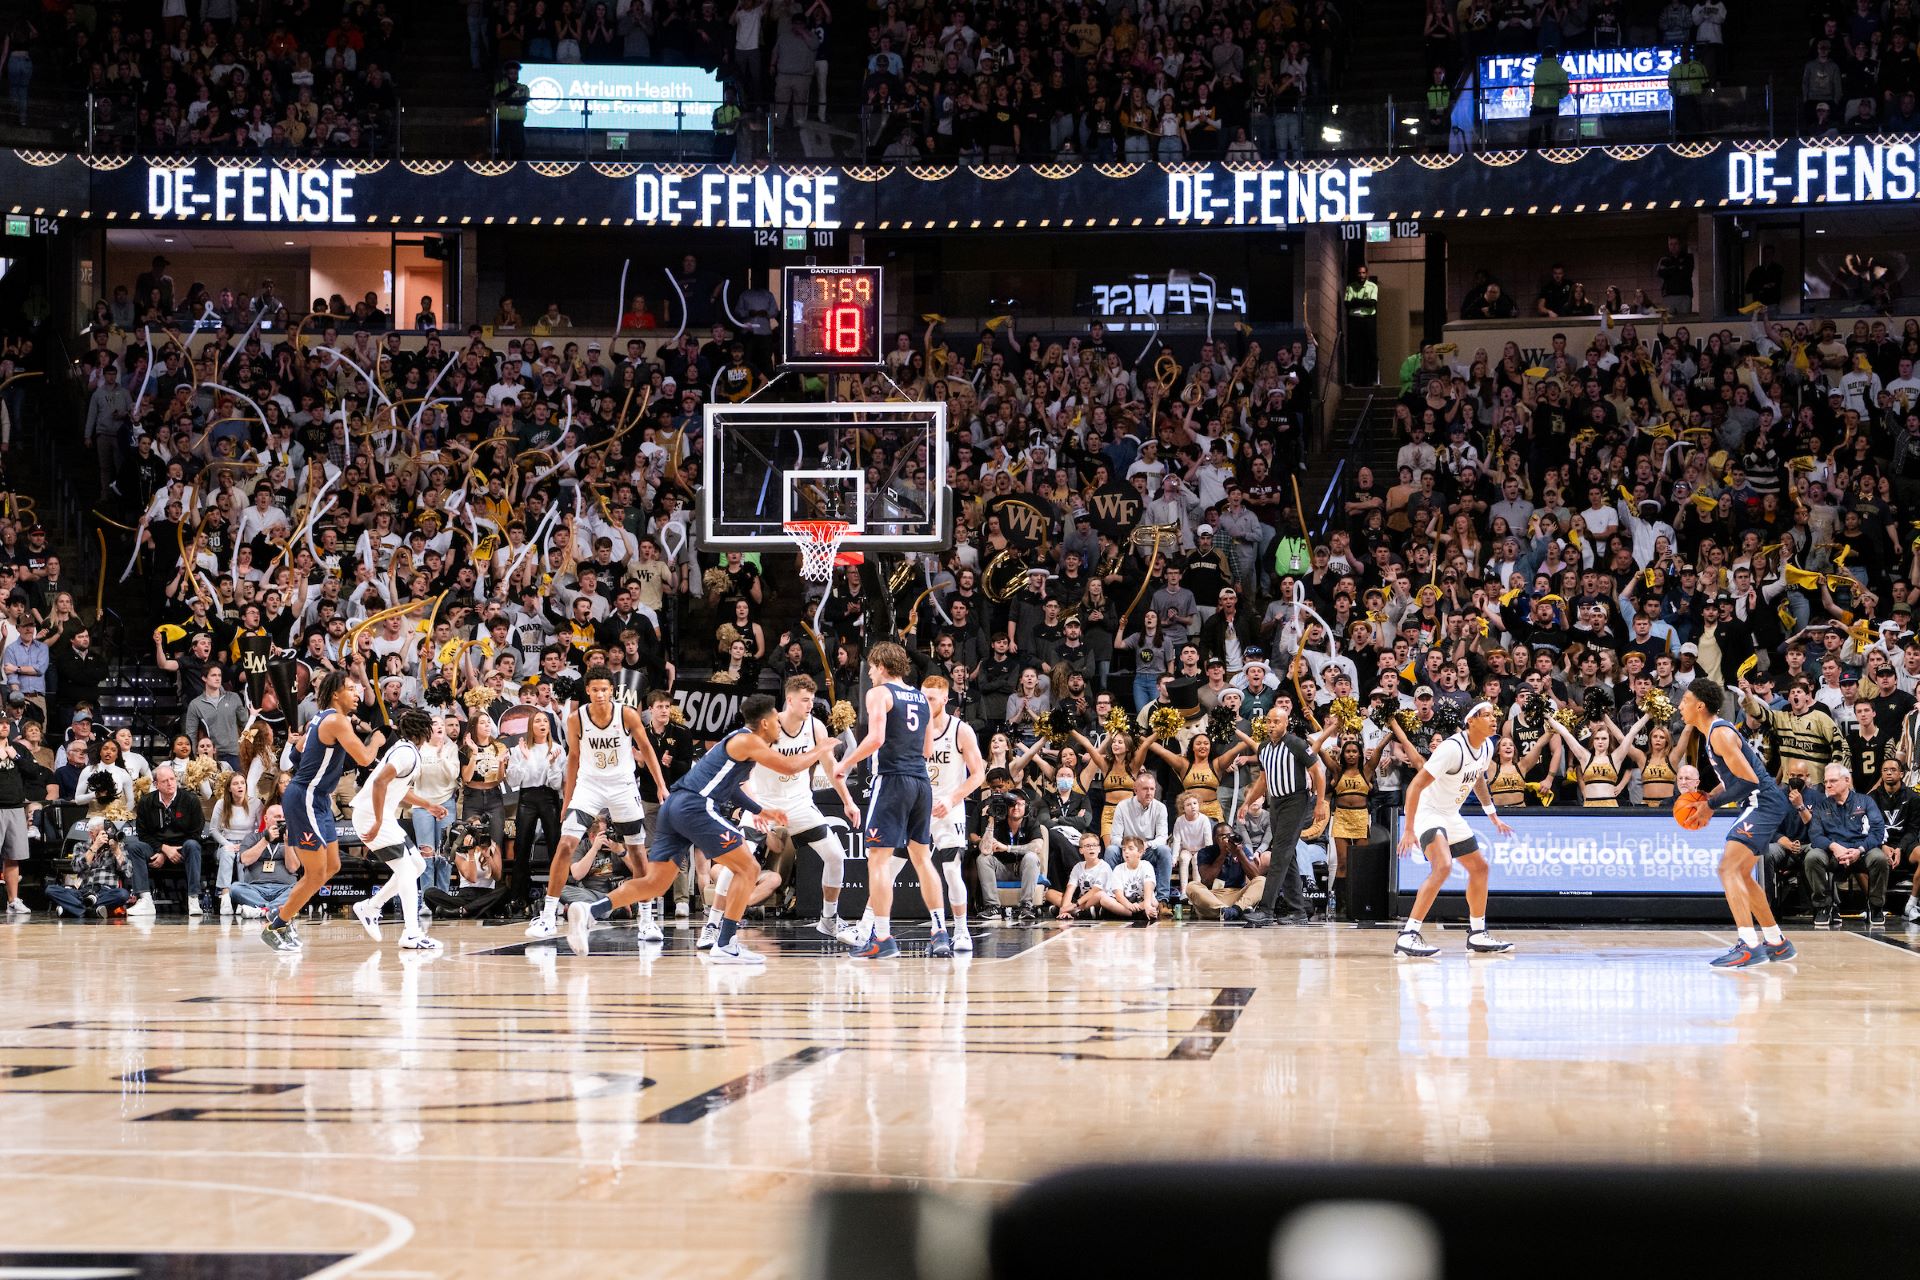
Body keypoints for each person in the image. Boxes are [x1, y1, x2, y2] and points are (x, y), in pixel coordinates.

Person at [566, 693, 832, 964]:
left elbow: (729, 789)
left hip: (676, 807)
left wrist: (760, 810)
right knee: (749, 868)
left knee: (654, 884)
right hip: (695, 806)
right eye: (776, 720)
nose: (779, 725)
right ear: (764, 723)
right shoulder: (748, 740)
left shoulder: (740, 743)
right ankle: (726, 943)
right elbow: (791, 765)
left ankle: (590, 911)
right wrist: (823, 746)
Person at [527, 666, 668, 941]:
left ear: (612, 690)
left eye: (605, 689)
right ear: (588, 691)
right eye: (595, 690)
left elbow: (647, 749)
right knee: (566, 844)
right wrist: (567, 800)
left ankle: (647, 919)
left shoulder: (626, 714)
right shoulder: (576, 718)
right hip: (589, 786)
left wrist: (661, 785)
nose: (600, 694)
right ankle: (547, 917)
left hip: (622, 785)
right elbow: (574, 758)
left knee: (637, 853)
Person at [722, 673, 859, 951]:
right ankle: (715, 925)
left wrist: (847, 800)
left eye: (812, 699)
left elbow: (831, 768)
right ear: (790, 700)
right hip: (764, 803)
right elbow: (744, 774)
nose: (810, 704)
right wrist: (754, 806)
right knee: (737, 863)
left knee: (835, 855)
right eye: (805, 700)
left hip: (798, 804)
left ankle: (829, 919)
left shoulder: (816, 726)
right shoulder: (768, 727)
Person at [832, 641, 950, 959]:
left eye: (871, 667)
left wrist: (845, 764)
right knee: (922, 858)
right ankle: (940, 931)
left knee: (878, 859)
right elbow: (927, 750)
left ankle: (882, 938)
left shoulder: (879, 693)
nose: (869, 673)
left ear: (883, 666)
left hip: (893, 780)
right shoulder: (922, 699)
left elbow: (876, 738)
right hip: (922, 782)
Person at [1677, 678, 1796, 967]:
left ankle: (1748, 945)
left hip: (1762, 803)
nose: (1680, 706)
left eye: (1684, 701)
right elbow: (1732, 779)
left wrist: (1710, 806)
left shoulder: (1719, 734)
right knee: (1741, 873)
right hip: (1760, 802)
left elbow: (1749, 780)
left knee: (1727, 868)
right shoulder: (1712, 734)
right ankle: (1776, 942)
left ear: (1700, 705)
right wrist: (1708, 795)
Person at [266, 671, 386, 951]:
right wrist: (378, 740)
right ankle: (277, 925)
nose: (357, 695)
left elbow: (297, 754)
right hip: (305, 797)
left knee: (332, 866)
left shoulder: (319, 718)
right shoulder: (335, 720)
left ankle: (280, 914)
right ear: (335, 693)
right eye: (351, 689)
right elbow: (365, 758)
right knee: (317, 873)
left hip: (317, 798)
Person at [1394, 702, 1516, 958]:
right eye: (1487, 716)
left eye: (1495, 715)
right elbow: (1415, 786)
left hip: (1451, 814)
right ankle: (1408, 935)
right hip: (1428, 812)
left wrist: (1491, 814)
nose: (1494, 719)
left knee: (1480, 868)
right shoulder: (1452, 749)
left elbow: (1479, 779)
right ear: (1471, 720)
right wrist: (1408, 829)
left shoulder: (1486, 746)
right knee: (1443, 866)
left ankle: (1478, 934)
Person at [348, 708, 447, 951]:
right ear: (424, 731)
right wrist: (380, 821)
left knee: (418, 866)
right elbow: (380, 782)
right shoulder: (406, 754)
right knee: (405, 869)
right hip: (371, 816)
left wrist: (428, 805)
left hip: (379, 816)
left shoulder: (406, 750)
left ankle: (371, 906)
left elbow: (398, 788)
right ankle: (411, 933)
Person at [1236, 708, 1326, 927]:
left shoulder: (1296, 744)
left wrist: (1320, 803)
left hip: (1296, 801)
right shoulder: (1264, 748)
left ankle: (1266, 910)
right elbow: (1263, 782)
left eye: (1277, 721)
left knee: (1279, 853)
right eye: (1269, 721)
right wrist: (1247, 803)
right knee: (1289, 856)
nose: (1272, 725)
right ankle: (1299, 911)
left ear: (1286, 723)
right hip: (1275, 803)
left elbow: (1317, 774)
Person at [923, 674, 985, 949]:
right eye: (922, 696)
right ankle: (875, 928)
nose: (925, 702)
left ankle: (961, 931)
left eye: (931, 698)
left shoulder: (960, 729)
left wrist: (951, 799)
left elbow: (978, 775)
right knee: (893, 867)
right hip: (920, 808)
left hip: (949, 808)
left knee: (951, 870)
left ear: (945, 700)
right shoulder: (915, 728)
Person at [1805, 760, 1889, 929]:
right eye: (1826, 781)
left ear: (1847, 780)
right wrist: (1834, 847)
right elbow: (1815, 835)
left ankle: (1875, 906)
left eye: (1833, 781)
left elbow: (1878, 831)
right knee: (1812, 857)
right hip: (1833, 853)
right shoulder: (1822, 806)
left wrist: (1860, 849)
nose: (1827, 785)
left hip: (1861, 851)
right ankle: (1824, 906)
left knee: (1879, 858)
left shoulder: (1865, 801)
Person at [227, 804, 302, 921]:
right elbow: (245, 860)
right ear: (266, 819)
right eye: (277, 817)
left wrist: (288, 843)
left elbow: (293, 868)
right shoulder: (252, 838)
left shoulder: (292, 839)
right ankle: (275, 909)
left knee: (301, 888)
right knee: (235, 888)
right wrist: (265, 840)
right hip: (256, 890)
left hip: (284, 889)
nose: (282, 820)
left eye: (284, 816)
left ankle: (262, 910)